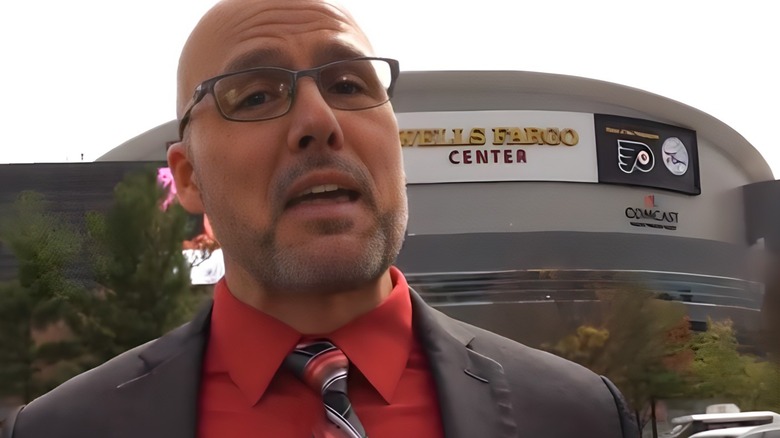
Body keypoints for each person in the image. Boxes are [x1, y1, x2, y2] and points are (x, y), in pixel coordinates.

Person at [2, 0, 638, 437]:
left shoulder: (579, 415)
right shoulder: (64, 428)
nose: (319, 123)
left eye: (349, 85)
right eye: (256, 94)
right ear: (188, 176)